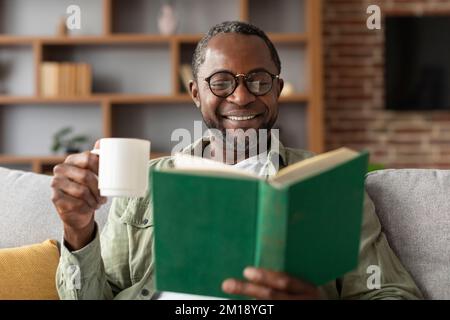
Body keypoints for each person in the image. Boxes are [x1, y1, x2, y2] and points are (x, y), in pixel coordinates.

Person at [51, 21, 423, 300]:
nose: (242, 97)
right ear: (196, 93)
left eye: (259, 80)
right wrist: (78, 231)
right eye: (222, 81)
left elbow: (394, 294)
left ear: (278, 90)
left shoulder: (329, 185)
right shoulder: (144, 185)